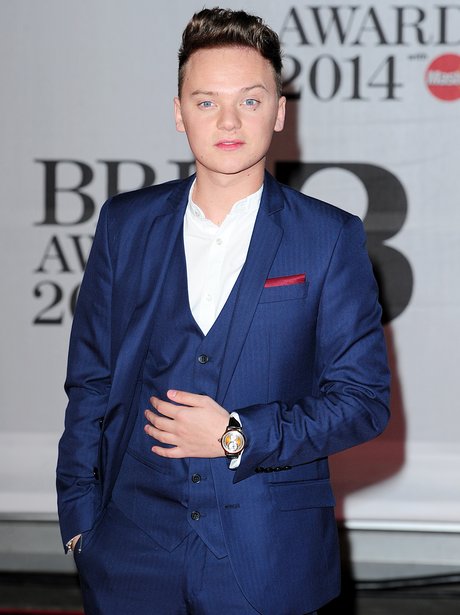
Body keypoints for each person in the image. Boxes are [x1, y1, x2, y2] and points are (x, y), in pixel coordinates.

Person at [56, 7, 390, 615]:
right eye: (207, 102)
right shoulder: (124, 224)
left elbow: (363, 403)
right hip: (130, 557)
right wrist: (81, 520)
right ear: (178, 111)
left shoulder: (329, 237)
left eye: (251, 100)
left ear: (280, 112)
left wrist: (238, 435)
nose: (229, 121)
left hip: (270, 562)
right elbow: (91, 382)